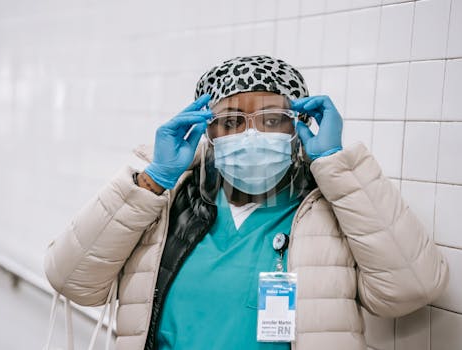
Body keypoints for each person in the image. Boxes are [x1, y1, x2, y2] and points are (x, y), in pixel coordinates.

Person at [44, 55, 449, 350]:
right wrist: (151, 181)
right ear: (207, 132)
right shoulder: (170, 204)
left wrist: (337, 167)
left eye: (273, 120)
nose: (253, 135)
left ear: (298, 128)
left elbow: (413, 288)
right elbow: (70, 278)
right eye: (232, 121)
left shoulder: (328, 206)